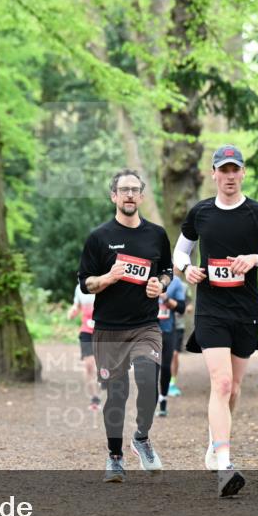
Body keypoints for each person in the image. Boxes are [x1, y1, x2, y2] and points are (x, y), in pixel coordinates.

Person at [174, 144, 258, 496]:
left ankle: (215, 441)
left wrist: (256, 259)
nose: (229, 176)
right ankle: (225, 465)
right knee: (222, 383)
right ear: (213, 174)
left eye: (234, 170)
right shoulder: (201, 213)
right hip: (211, 309)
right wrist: (187, 269)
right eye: (222, 170)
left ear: (242, 174)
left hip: (245, 312)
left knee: (235, 389)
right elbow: (180, 250)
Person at [78, 169, 173, 482]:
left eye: (135, 189)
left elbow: (167, 272)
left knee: (148, 379)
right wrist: (109, 277)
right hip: (108, 328)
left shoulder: (156, 234)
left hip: (145, 325)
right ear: (114, 196)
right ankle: (115, 457)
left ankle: (142, 437)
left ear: (142, 196)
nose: (130, 195)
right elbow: (85, 284)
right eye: (124, 190)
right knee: (116, 394)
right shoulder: (99, 238)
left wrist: (160, 285)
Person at [67, 284, 101, 412]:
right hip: (86, 331)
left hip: (104, 330)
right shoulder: (79, 287)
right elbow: (77, 305)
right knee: (89, 365)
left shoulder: (106, 282)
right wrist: (73, 311)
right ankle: (94, 398)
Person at [157, 272, 186, 416]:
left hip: (168, 329)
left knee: (165, 366)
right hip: (147, 329)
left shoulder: (175, 282)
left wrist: (166, 298)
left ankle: (163, 401)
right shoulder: (146, 276)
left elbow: (181, 307)